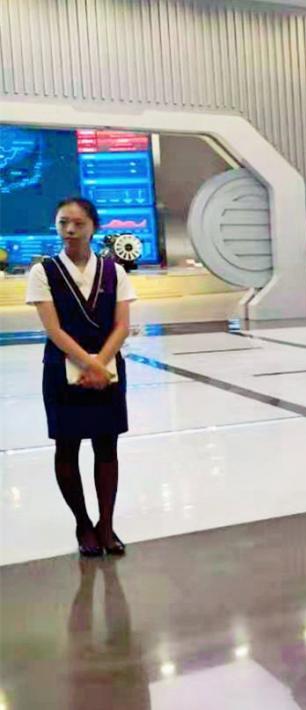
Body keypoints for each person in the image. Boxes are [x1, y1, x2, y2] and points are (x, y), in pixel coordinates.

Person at [25, 197, 136, 557]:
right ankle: (83, 523)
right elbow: (53, 329)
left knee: (107, 447)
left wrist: (100, 364)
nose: (70, 230)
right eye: (63, 223)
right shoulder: (44, 272)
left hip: (107, 370)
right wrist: (90, 365)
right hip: (62, 369)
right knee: (67, 446)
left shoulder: (114, 272)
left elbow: (122, 325)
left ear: (93, 227)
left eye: (78, 223)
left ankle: (106, 524)